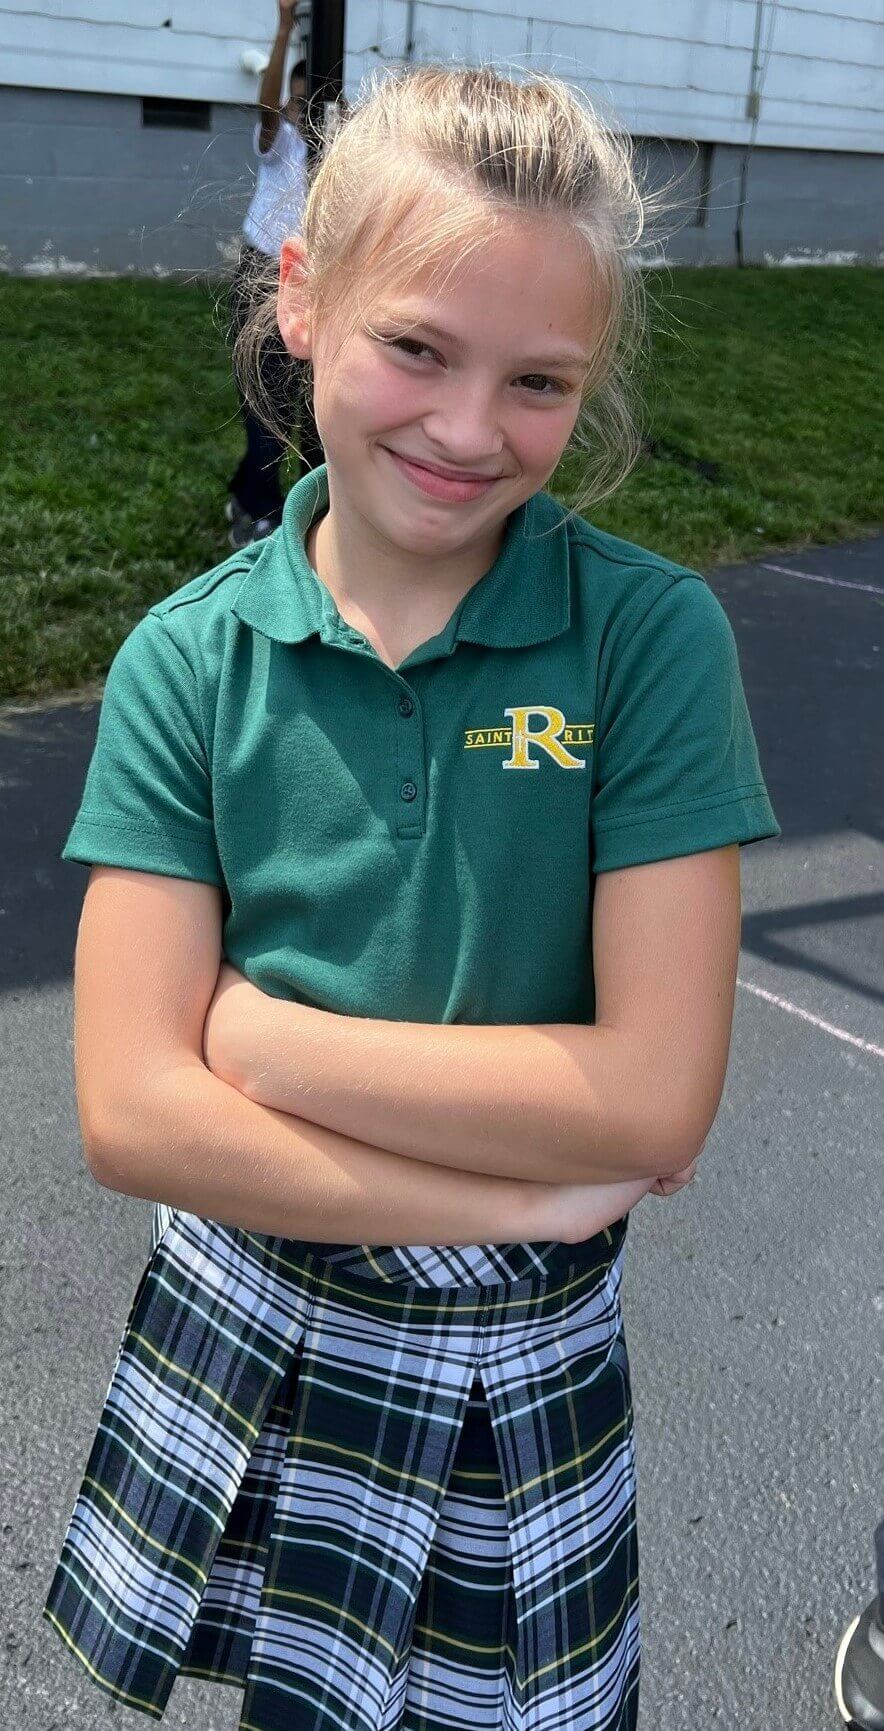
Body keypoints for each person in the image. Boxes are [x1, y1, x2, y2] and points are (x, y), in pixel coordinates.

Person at [41, 64, 781, 1731]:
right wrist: (513, 1195)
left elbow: (652, 1092)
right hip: (261, 1331)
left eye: (537, 382)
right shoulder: (187, 660)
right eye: (416, 349)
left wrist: (258, 1039)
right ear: (300, 296)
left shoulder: (646, 643)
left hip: (511, 1373)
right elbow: (131, 1114)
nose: (466, 433)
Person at [226, 0, 323, 550]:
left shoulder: (328, 156)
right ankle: (255, 511)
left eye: (316, 103)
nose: (303, 111)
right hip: (265, 273)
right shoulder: (278, 144)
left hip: (315, 279)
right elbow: (265, 105)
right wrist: (285, 25)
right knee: (266, 403)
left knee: (307, 404)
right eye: (298, 99)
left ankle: (265, 496)